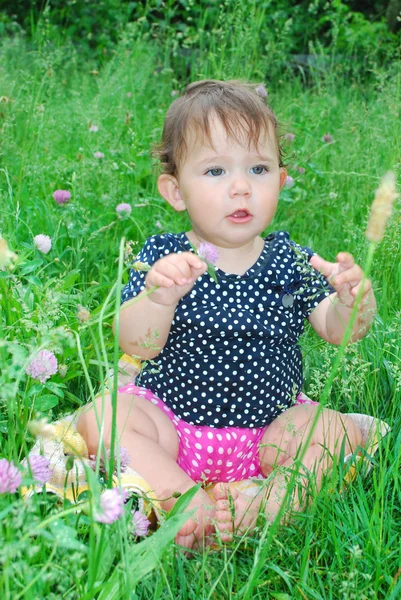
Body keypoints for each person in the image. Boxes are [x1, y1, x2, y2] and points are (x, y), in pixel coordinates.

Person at [77, 80, 376, 549]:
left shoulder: (289, 259)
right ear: (175, 191)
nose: (240, 187)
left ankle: (269, 500)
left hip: (270, 434)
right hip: (171, 426)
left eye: (258, 168)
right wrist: (159, 298)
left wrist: (352, 302)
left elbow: (337, 331)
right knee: (104, 418)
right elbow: (137, 345)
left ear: (279, 181)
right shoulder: (164, 256)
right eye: (216, 171)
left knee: (337, 434)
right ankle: (182, 499)